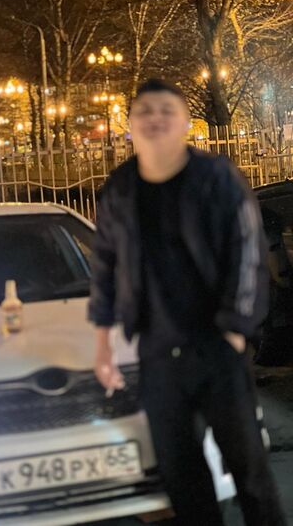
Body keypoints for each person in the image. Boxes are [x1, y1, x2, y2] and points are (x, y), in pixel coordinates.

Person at [88, 79, 286, 526]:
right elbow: (105, 267)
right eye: (145, 110)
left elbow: (247, 251)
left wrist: (235, 330)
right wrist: (103, 345)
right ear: (130, 125)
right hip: (158, 355)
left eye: (167, 110)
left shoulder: (216, 177)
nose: (155, 118)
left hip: (217, 348)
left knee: (249, 472)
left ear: (185, 124)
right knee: (182, 477)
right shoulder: (121, 188)